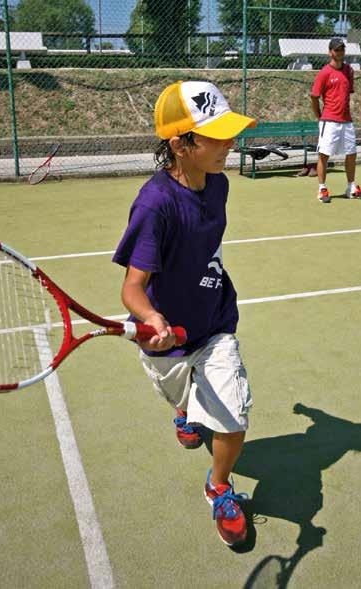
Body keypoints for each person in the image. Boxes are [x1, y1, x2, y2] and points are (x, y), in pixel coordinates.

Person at [112, 80, 256, 547]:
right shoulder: (155, 204)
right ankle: (182, 409)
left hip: (215, 324)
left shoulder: (220, 186)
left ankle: (218, 486)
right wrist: (151, 319)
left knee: (233, 417)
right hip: (166, 337)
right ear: (180, 144)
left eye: (229, 133)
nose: (229, 145)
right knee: (181, 398)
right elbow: (133, 287)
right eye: (216, 135)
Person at [310, 38, 361, 203]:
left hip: (347, 121)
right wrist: (319, 116)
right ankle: (322, 189)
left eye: (342, 49)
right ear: (330, 52)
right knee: (324, 155)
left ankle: (351, 187)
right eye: (336, 50)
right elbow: (314, 97)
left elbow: (346, 93)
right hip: (329, 121)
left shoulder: (349, 70)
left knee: (352, 154)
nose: (340, 52)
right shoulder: (324, 73)